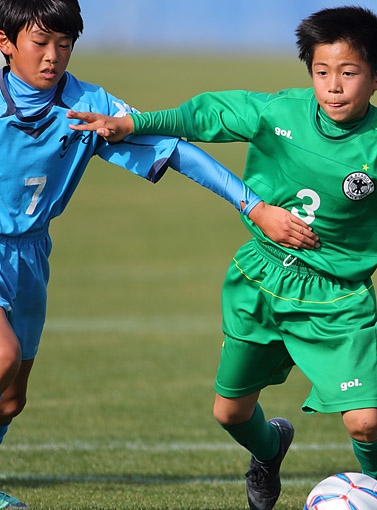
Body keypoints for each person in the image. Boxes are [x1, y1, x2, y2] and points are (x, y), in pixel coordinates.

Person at [69, 6, 377, 509]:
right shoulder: (280, 112)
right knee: (230, 414)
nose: (333, 87)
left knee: (365, 422)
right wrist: (133, 122)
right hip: (258, 279)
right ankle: (269, 449)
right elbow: (205, 115)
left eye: (349, 73)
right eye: (322, 72)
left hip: (336, 299)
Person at [0, 1, 318, 507]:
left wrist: (254, 207)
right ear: (5, 42)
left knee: (11, 398)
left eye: (64, 44)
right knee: (3, 357)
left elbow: (176, 150)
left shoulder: (87, 105)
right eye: (40, 43)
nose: (53, 56)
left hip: (31, 255)